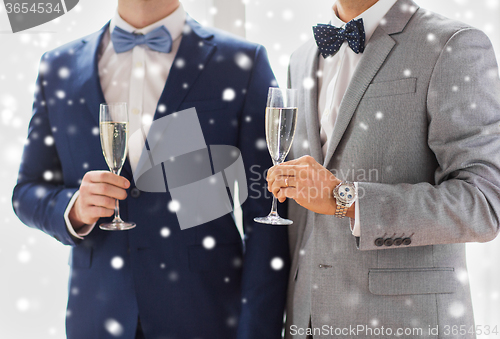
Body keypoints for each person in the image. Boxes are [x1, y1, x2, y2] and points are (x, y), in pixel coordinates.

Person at [12, 0, 290, 338]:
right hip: (97, 317)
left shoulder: (242, 63)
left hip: (207, 317)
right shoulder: (58, 67)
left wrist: (258, 332)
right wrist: (74, 208)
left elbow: (267, 216)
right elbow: (26, 191)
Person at [266, 0, 500, 337]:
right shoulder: (302, 58)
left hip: (404, 324)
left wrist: (343, 199)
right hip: (308, 323)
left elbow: (484, 204)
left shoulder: (452, 44)